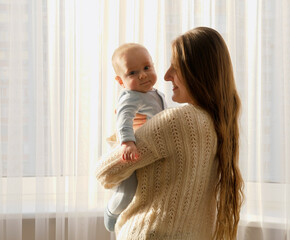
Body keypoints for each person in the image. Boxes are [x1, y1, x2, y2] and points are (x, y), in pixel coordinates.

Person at [96, 27, 244, 239]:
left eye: (175, 67)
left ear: (196, 72)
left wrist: (128, 135)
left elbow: (105, 172)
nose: (165, 76)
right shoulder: (220, 122)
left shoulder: (175, 121)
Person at [104, 43, 167, 232]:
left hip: (145, 148)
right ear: (120, 80)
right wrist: (127, 142)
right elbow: (123, 119)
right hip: (129, 149)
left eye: (147, 67)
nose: (142, 75)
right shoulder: (131, 96)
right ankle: (111, 212)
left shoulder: (155, 93)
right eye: (132, 73)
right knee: (127, 191)